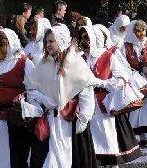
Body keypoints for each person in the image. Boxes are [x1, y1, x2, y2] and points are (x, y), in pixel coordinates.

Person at [26, 24, 98, 167]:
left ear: (61, 40)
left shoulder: (76, 63)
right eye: (46, 42)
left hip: (71, 122)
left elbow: (86, 92)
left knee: (73, 160)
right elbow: (31, 88)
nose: (48, 45)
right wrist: (43, 99)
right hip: (49, 122)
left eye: (51, 41)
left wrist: (83, 120)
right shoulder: (43, 63)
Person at [75, 26, 142, 166]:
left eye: (86, 38)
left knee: (108, 138)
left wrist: (101, 83)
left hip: (104, 104)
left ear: (94, 39)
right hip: (85, 105)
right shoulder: (80, 59)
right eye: (81, 38)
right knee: (91, 142)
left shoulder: (108, 56)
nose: (84, 41)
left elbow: (122, 79)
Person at [0, 28, 34, 168]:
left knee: (13, 159)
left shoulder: (23, 63)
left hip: (13, 122)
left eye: (1, 45)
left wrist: (21, 100)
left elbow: (33, 91)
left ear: (10, 44)